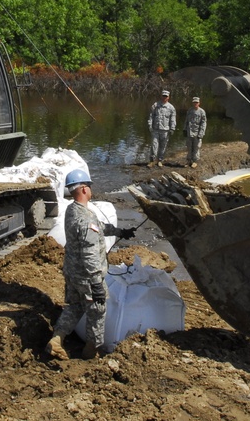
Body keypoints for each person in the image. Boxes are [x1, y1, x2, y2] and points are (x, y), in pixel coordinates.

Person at [46, 168, 136, 361]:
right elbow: (89, 252)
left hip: (72, 272)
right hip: (87, 275)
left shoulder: (73, 210)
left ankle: (56, 339)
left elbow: (98, 227)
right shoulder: (85, 219)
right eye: (90, 186)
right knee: (97, 310)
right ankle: (91, 351)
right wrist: (96, 283)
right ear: (84, 189)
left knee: (75, 306)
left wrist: (118, 232)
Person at [146, 89, 176, 167]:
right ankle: (152, 161)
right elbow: (151, 116)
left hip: (165, 130)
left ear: (168, 97)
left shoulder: (171, 107)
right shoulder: (155, 105)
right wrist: (150, 125)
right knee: (154, 145)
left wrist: (172, 128)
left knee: (163, 146)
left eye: (166, 96)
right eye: (163, 96)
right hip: (155, 129)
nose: (164, 97)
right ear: (161, 96)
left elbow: (173, 119)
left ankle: (160, 160)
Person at [183, 96, 207, 168]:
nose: (195, 103)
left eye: (196, 102)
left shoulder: (202, 112)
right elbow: (186, 121)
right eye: (194, 102)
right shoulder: (190, 111)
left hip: (197, 133)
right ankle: (189, 161)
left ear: (199, 103)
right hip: (189, 132)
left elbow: (203, 123)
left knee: (196, 148)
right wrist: (184, 129)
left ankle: (195, 161)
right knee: (189, 147)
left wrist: (201, 133)